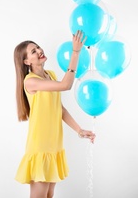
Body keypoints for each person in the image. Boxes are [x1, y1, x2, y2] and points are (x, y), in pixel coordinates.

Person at [13, 30, 96, 198]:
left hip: (54, 144)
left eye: (38, 47)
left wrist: (79, 130)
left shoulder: (50, 75)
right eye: (33, 51)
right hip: (41, 146)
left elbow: (59, 108)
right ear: (26, 61)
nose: (39, 51)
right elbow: (66, 85)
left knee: (49, 195)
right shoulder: (31, 81)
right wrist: (76, 52)